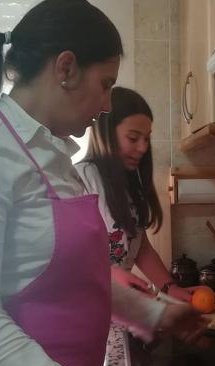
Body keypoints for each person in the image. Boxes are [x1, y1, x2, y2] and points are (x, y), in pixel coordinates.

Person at [0, 2, 205, 366]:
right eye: (105, 85)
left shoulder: (54, 159)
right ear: (66, 68)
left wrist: (151, 314)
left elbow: (77, 283)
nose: (107, 106)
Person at [75, 87, 207, 304]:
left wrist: (170, 288)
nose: (143, 147)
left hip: (121, 308)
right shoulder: (81, 179)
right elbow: (67, 257)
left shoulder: (129, 182)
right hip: (88, 308)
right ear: (106, 132)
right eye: (133, 138)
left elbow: (140, 245)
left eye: (147, 139)